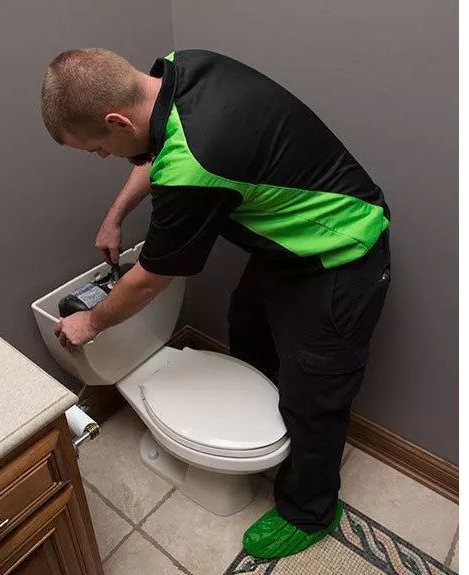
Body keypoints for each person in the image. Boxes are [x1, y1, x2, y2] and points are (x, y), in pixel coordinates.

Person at [41, 48, 391, 559]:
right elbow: (161, 153)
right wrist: (115, 215)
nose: (101, 156)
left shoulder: (194, 165)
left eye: (95, 147)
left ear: (116, 119)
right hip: (285, 247)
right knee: (246, 327)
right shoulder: (179, 68)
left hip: (342, 251)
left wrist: (89, 323)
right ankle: (272, 432)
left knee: (317, 388)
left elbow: (151, 278)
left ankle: (310, 509)